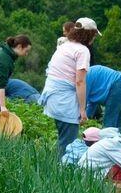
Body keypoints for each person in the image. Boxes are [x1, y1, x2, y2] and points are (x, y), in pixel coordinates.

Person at [39, 17, 100, 159]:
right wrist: (83, 109)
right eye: (94, 35)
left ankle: (55, 168)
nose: (94, 38)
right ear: (88, 34)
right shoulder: (82, 51)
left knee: (63, 139)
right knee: (69, 144)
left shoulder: (65, 46)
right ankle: (61, 174)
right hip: (64, 101)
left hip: (53, 97)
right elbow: (80, 82)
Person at [85, 64, 121, 129]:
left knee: (109, 124)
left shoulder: (84, 78)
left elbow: (82, 104)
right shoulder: (90, 74)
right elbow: (91, 105)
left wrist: (80, 119)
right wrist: (86, 118)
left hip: (118, 85)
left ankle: (109, 138)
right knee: (117, 125)